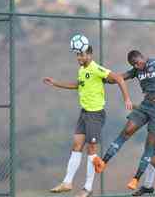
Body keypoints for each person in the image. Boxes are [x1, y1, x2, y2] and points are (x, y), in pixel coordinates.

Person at [43, 44, 132, 197]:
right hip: (84, 113)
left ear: (89, 55)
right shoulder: (82, 69)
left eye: (82, 55)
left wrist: (127, 99)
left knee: (91, 150)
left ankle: (88, 188)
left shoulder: (95, 68)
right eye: (77, 55)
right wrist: (56, 83)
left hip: (95, 115)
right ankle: (67, 182)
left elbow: (118, 78)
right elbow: (78, 85)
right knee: (76, 145)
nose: (79, 58)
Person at [93, 50, 155, 194]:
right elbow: (120, 77)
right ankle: (103, 162)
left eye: (137, 63)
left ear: (141, 57)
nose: (137, 66)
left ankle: (136, 178)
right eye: (134, 65)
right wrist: (105, 78)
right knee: (126, 131)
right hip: (146, 105)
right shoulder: (136, 70)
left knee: (150, 145)